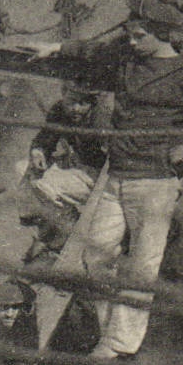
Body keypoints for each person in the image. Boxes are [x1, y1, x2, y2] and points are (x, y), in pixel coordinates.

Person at [48, 0, 183, 359]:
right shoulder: (129, 63)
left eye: (138, 36)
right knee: (96, 255)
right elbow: (95, 52)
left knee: (142, 266)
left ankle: (120, 342)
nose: (130, 43)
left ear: (160, 34)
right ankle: (111, 331)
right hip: (117, 175)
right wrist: (54, 47)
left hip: (155, 181)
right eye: (130, 35)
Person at [20, 86, 106, 256]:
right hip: (75, 164)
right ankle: (50, 230)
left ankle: (65, 232)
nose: (76, 108)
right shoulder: (60, 110)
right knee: (21, 169)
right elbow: (46, 137)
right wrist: (39, 152)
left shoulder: (102, 119)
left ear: (92, 102)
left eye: (83, 103)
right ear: (64, 96)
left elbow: (113, 158)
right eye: (71, 102)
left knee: (46, 187)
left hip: (97, 175)